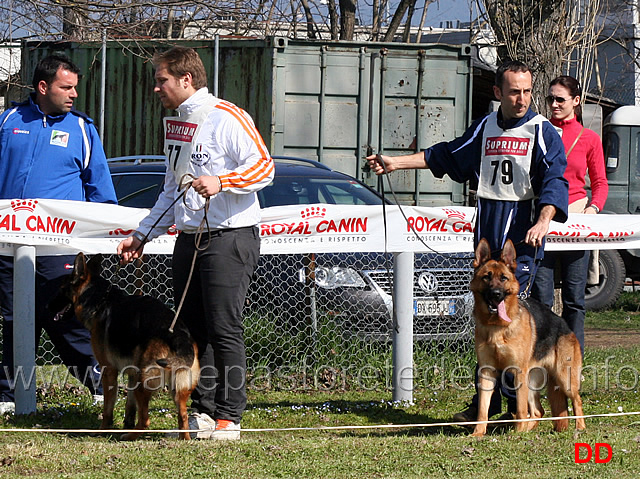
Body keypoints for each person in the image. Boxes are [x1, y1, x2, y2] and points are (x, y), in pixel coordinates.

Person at [366, 60, 569, 424]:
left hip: (522, 237)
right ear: (497, 93)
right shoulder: (485, 128)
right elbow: (445, 154)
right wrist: (395, 162)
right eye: (513, 91)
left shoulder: (543, 131)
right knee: (487, 321)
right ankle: (489, 407)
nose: (522, 99)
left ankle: (516, 409)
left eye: (526, 91)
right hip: (487, 232)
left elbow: (556, 179)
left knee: (512, 322)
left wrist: (543, 221)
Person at [117, 46, 274, 440]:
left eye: (161, 80)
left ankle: (229, 415)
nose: (156, 88)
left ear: (186, 80)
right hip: (188, 240)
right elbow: (172, 190)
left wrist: (223, 181)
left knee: (224, 327)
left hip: (229, 237)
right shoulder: (176, 125)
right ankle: (201, 412)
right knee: (190, 331)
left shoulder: (228, 116)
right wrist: (142, 234)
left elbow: (264, 167)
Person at [0, 53, 117, 414]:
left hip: (59, 248)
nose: (74, 95)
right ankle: (9, 396)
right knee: (14, 323)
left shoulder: (82, 129)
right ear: (42, 87)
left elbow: (101, 191)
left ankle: (100, 386)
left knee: (67, 322)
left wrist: (104, 238)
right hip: (8, 246)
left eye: (75, 88)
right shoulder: (8, 120)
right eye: (66, 87)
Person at [531, 75, 608, 357]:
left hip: (577, 220)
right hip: (543, 220)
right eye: (550, 98)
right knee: (541, 297)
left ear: (576, 102)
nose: (553, 104)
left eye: (560, 99)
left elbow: (600, 182)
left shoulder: (589, 138)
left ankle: (573, 359)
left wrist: (592, 209)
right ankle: (542, 356)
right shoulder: (537, 131)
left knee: (575, 299)